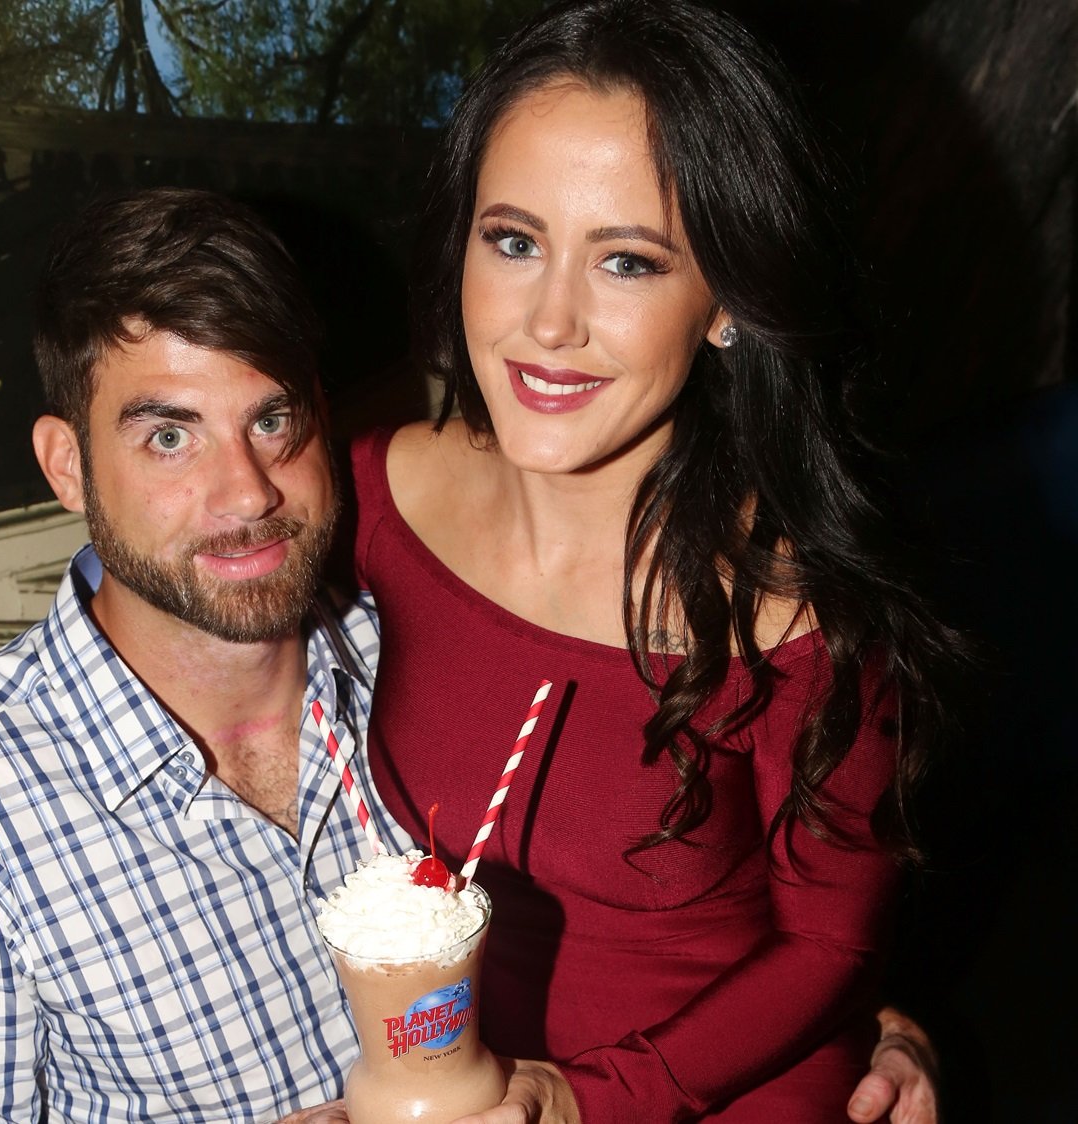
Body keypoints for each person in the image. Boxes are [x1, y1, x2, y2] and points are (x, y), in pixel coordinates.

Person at [348, 1, 957, 1121]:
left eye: (627, 261)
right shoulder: (371, 498)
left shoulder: (799, 617)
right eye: (514, 239)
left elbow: (827, 940)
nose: (550, 321)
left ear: (726, 301)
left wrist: (581, 1099)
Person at [0, 187, 416, 1122]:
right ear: (68, 467)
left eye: (273, 419)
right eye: (169, 436)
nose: (246, 492)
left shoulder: (417, 660)